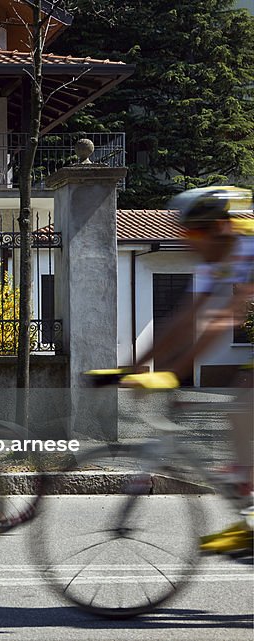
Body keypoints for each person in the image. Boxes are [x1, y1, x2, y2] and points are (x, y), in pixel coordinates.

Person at [127, 186, 253, 554]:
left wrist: (173, 372)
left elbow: (221, 320)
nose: (190, 241)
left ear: (220, 228)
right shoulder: (215, 262)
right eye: (185, 233)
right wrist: (137, 365)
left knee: (244, 404)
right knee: (238, 413)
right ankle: (246, 513)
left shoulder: (248, 247)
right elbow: (185, 318)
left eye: (196, 232)